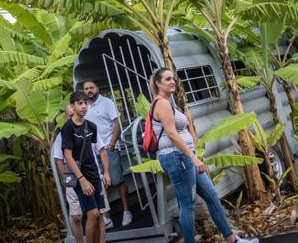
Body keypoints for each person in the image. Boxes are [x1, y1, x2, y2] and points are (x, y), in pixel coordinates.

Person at [150, 67, 259, 243]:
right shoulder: (161, 103)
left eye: (174, 79)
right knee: (188, 205)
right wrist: (193, 158)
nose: (173, 82)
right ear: (158, 83)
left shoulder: (170, 102)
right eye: (168, 79)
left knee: (212, 196)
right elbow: (171, 134)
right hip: (177, 158)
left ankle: (232, 240)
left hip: (184, 157)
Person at [53, 105, 111, 243]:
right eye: (69, 115)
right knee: (77, 216)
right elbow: (59, 159)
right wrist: (68, 181)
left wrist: (106, 172)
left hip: (93, 175)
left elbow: (101, 150)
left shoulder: (89, 128)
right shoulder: (63, 133)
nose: (72, 117)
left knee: (99, 213)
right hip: (74, 178)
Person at [82, 79, 132, 228]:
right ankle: (106, 217)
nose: (89, 90)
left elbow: (116, 124)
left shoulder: (107, 103)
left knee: (117, 180)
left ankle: (127, 211)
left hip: (109, 148)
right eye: (86, 88)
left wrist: (111, 144)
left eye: (91, 87)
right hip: (93, 151)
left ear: (97, 88)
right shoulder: (83, 106)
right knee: (99, 183)